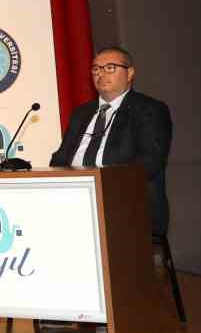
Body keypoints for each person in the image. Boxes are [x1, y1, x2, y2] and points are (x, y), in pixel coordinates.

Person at [50, 46, 173, 235]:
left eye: (110, 68)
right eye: (96, 69)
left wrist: (98, 183)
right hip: (76, 198)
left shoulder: (149, 109)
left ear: (130, 73)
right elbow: (61, 158)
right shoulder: (81, 113)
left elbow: (149, 163)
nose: (101, 74)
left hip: (124, 201)